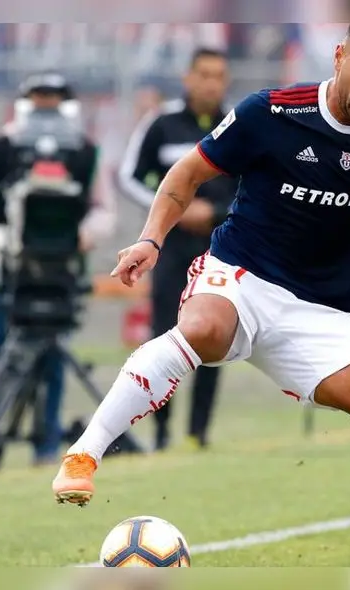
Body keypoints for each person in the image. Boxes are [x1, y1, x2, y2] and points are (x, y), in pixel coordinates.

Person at [52, 24, 350, 568]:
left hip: (323, 314)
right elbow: (185, 175)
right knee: (203, 330)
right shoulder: (272, 113)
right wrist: (150, 239)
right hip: (242, 277)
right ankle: (85, 454)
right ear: (339, 56)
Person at [0, 73, 116, 478]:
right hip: (7, 272)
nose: (46, 106)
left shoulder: (85, 152)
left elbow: (102, 207)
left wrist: (81, 237)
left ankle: (46, 443)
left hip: (61, 271)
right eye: (39, 97)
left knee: (52, 354)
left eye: (54, 98)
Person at [117, 47, 239, 450]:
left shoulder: (238, 125)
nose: (210, 82)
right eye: (203, 74)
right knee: (164, 339)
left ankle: (197, 433)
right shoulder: (162, 124)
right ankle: (163, 433)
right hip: (171, 252)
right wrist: (172, 207)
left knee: (214, 338)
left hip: (222, 251)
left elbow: (257, 187)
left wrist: (216, 212)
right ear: (188, 77)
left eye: (218, 75)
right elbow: (129, 176)